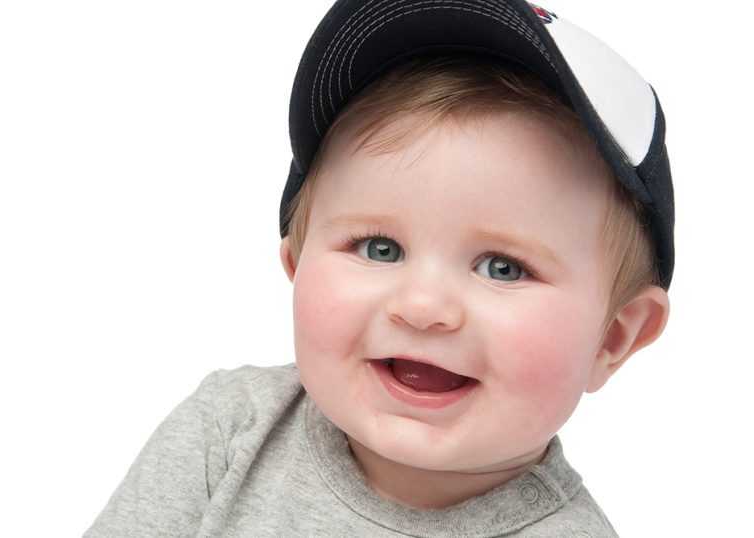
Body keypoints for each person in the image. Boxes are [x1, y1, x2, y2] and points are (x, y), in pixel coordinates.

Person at [84, 1, 674, 536]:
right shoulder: (231, 430)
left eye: (502, 267)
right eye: (379, 248)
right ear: (296, 260)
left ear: (614, 336)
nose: (422, 307)